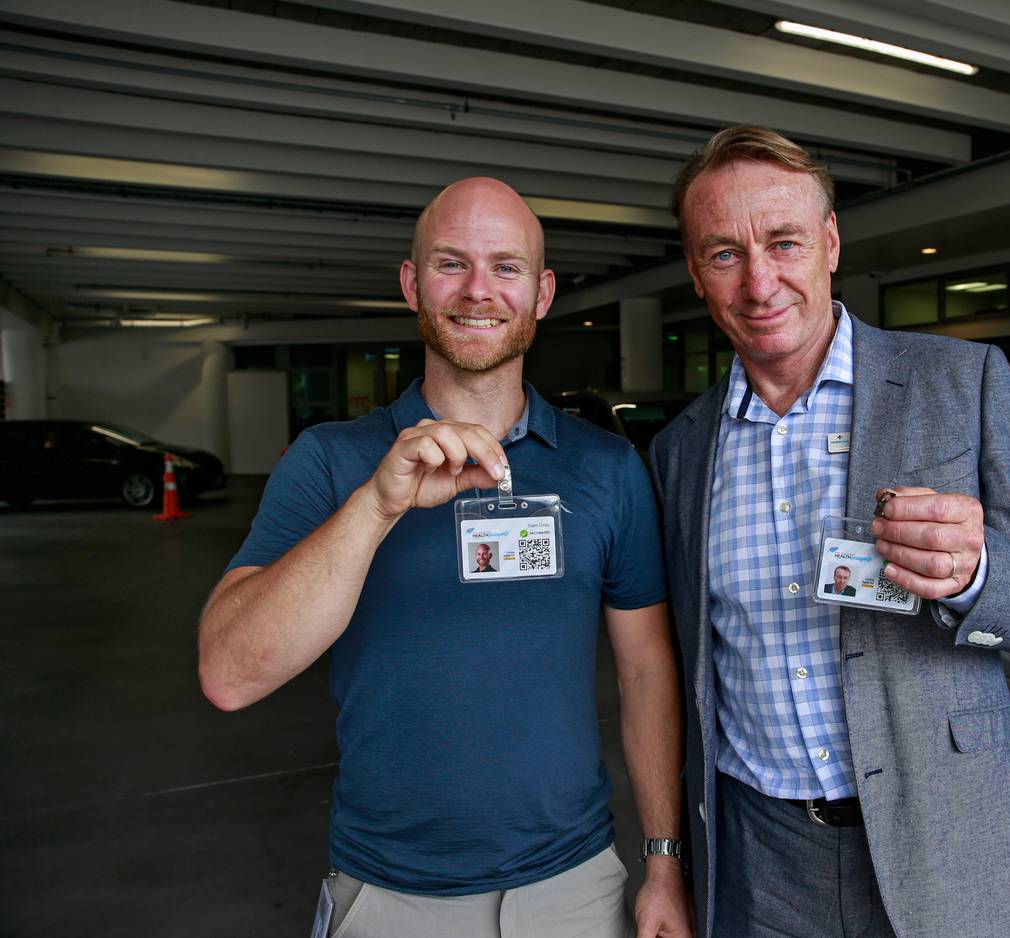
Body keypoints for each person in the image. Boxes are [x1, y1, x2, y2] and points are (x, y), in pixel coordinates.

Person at [197, 178, 690, 938]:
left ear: (542, 293)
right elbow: (230, 674)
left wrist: (663, 860)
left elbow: (646, 673)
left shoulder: (608, 469)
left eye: (506, 267)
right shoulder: (330, 461)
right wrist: (376, 505)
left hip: (574, 891)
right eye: (451, 263)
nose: (478, 290)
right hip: (390, 894)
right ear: (411, 283)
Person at [649, 126, 1010, 938]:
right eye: (724, 254)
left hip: (949, 842)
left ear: (829, 243)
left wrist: (976, 573)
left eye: (784, 243)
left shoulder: (960, 382)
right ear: (695, 271)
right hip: (759, 865)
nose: (760, 282)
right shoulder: (680, 452)